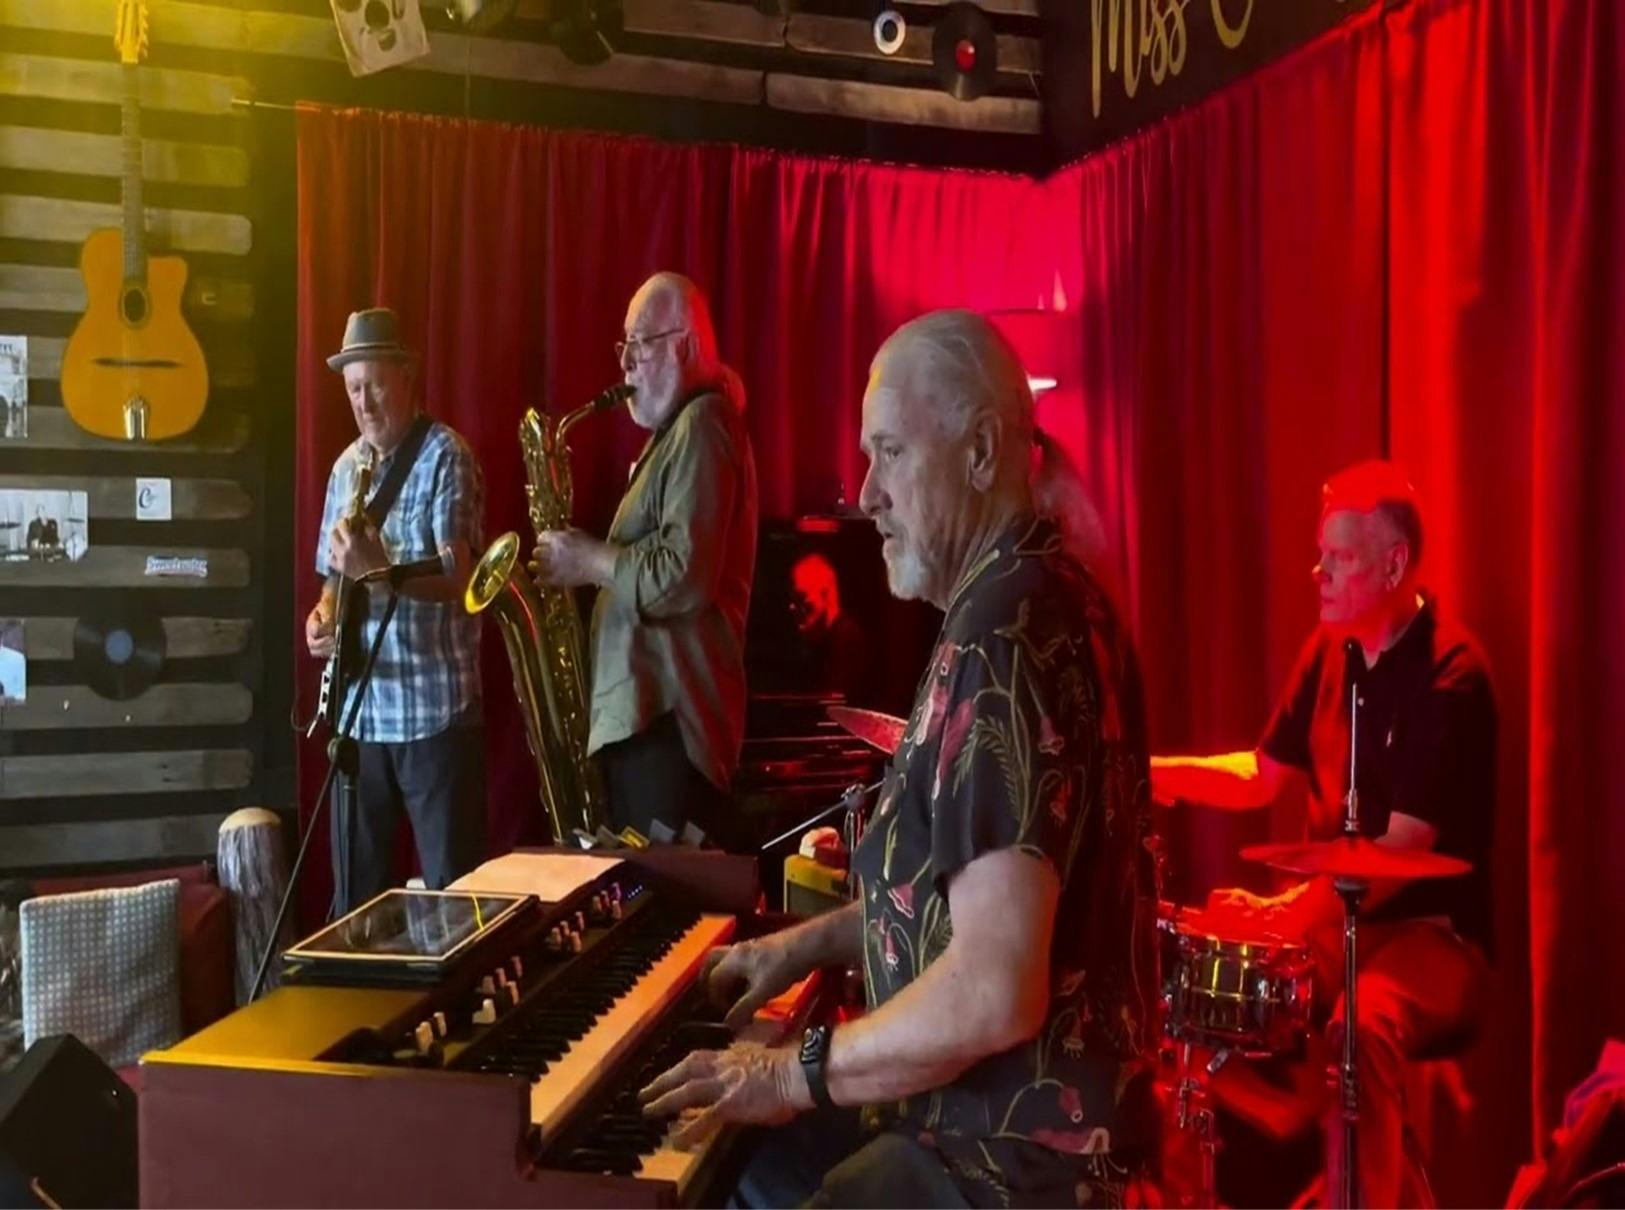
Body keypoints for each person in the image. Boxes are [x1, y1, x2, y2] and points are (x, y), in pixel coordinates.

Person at [639, 309, 1160, 1207]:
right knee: (729, 1156)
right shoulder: (1049, 593)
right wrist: (803, 945)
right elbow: (959, 903)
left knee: (705, 1167)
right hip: (1005, 1132)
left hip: (1001, 1164)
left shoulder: (1002, 637)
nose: (866, 493)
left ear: (981, 452)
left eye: (890, 453)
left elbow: (992, 990)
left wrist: (788, 1072)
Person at [1150, 459, 1497, 1207]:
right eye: (1321, 554)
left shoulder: (1452, 673)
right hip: (1334, 924)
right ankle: (1278, 1130)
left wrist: (1285, 913)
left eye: (1339, 557)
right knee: (1188, 977)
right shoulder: (1328, 650)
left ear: (1393, 565)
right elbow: (1260, 773)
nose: (1319, 572)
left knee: (1359, 1028)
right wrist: (1146, 772)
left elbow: (1398, 854)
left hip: (1434, 937)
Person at [529, 273, 758, 844]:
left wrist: (589, 561)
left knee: (665, 892)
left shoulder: (703, 423)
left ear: (685, 346)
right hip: (649, 728)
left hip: (669, 729)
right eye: (623, 345)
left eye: (640, 344)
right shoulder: (679, 432)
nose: (625, 363)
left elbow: (683, 575)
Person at [304, 307, 486, 914]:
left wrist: (379, 572)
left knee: (457, 901)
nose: (364, 402)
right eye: (354, 388)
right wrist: (321, 618)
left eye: (376, 385)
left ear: (407, 377)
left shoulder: (446, 456)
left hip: (435, 714)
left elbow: (461, 579)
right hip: (361, 717)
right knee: (357, 909)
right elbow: (333, 577)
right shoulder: (343, 468)